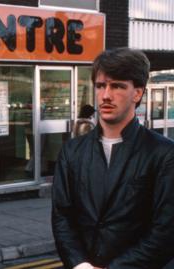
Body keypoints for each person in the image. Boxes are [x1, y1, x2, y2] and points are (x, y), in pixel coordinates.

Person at [52, 48, 174, 269]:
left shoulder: (164, 153)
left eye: (117, 86)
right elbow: (62, 217)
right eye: (100, 86)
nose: (106, 95)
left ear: (137, 93)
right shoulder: (72, 151)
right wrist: (80, 265)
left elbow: (165, 231)